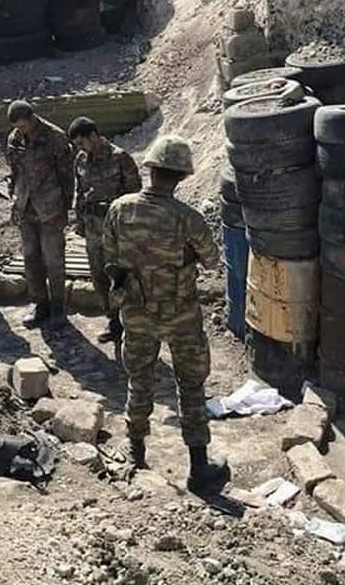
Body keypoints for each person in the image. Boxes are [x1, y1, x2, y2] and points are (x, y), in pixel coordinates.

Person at [103, 135, 230, 494]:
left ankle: (136, 450)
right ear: (181, 176)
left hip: (137, 310)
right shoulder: (187, 218)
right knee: (190, 385)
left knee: (139, 378)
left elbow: (110, 256)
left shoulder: (120, 208)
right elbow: (211, 260)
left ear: (152, 170)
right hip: (180, 314)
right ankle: (198, 468)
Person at [68, 116, 141, 343]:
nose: (79, 148)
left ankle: (131, 324)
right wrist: (79, 221)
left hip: (116, 231)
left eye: (82, 142)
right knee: (98, 276)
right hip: (92, 229)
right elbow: (81, 191)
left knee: (120, 277)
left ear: (93, 136)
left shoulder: (120, 158)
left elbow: (135, 195)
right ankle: (113, 322)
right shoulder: (80, 159)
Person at [6, 100, 73, 327]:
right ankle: (40, 304)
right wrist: (13, 199)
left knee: (54, 260)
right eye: (17, 127)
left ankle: (58, 306)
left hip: (51, 208)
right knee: (31, 258)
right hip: (25, 208)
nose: (20, 131)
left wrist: (66, 208)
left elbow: (67, 177)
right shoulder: (14, 139)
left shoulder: (56, 138)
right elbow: (14, 172)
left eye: (23, 126)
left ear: (33, 118)